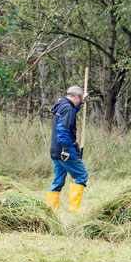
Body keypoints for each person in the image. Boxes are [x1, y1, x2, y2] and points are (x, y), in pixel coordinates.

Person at [46, 86, 88, 214]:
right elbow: (62, 129)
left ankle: (52, 211)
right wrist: (65, 149)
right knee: (81, 175)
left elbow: (71, 112)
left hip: (55, 150)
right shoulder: (68, 108)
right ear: (76, 96)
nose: (80, 102)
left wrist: (82, 104)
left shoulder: (61, 104)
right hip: (65, 150)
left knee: (58, 181)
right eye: (80, 100)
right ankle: (74, 209)